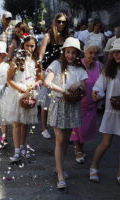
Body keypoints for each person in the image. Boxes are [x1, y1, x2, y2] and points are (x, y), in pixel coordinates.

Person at [44, 37, 88, 189]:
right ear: (64, 52)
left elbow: (85, 90)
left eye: (73, 53)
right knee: (60, 140)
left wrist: (79, 88)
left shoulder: (80, 69)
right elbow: (47, 82)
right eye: (68, 52)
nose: (70, 55)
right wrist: (63, 91)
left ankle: (59, 167)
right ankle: (60, 175)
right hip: (59, 104)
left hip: (72, 106)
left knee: (67, 140)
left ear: (77, 54)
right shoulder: (56, 64)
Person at [3, 35, 43, 161]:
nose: (29, 48)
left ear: (35, 47)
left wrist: (35, 84)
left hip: (29, 92)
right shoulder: (16, 59)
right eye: (27, 45)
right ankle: (16, 150)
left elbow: (40, 78)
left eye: (32, 46)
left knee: (25, 123)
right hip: (17, 92)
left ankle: (22, 146)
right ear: (23, 46)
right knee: (16, 123)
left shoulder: (37, 61)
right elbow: (9, 79)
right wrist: (19, 88)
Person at [89, 38, 120, 184]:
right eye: (115, 53)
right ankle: (94, 167)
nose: (117, 55)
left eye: (119, 52)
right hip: (111, 110)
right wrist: (97, 93)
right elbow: (99, 86)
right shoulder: (109, 70)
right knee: (106, 143)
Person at [39, 12, 69, 139]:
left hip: (62, 71)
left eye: (63, 22)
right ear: (54, 22)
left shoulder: (67, 37)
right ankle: (44, 128)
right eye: (59, 21)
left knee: (60, 100)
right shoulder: (48, 36)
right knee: (46, 101)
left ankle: (59, 126)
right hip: (49, 72)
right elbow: (40, 56)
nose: (61, 24)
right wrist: (40, 73)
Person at [70, 44, 102, 164]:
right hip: (79, 102)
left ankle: (79, 147)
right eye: (90, 53)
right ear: (85, 53)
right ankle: (78, 149)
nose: (93, 56)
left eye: (95, 53)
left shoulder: (99, 65)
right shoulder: (79, 64)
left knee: (86, 128)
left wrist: (101, 96)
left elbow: (102, 82)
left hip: (92, 103)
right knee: (79, 127)